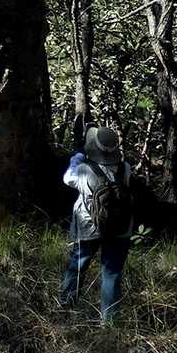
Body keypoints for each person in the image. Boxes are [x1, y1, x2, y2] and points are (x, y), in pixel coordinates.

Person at [59, 125, 133, 322]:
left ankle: (65, 308)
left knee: (77, 266)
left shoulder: (84, 170)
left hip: (88, 227)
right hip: (120, 229)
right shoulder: (125, 168)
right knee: (112, 275)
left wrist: (76, 158)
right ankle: (109, 323)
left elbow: (67, 178)